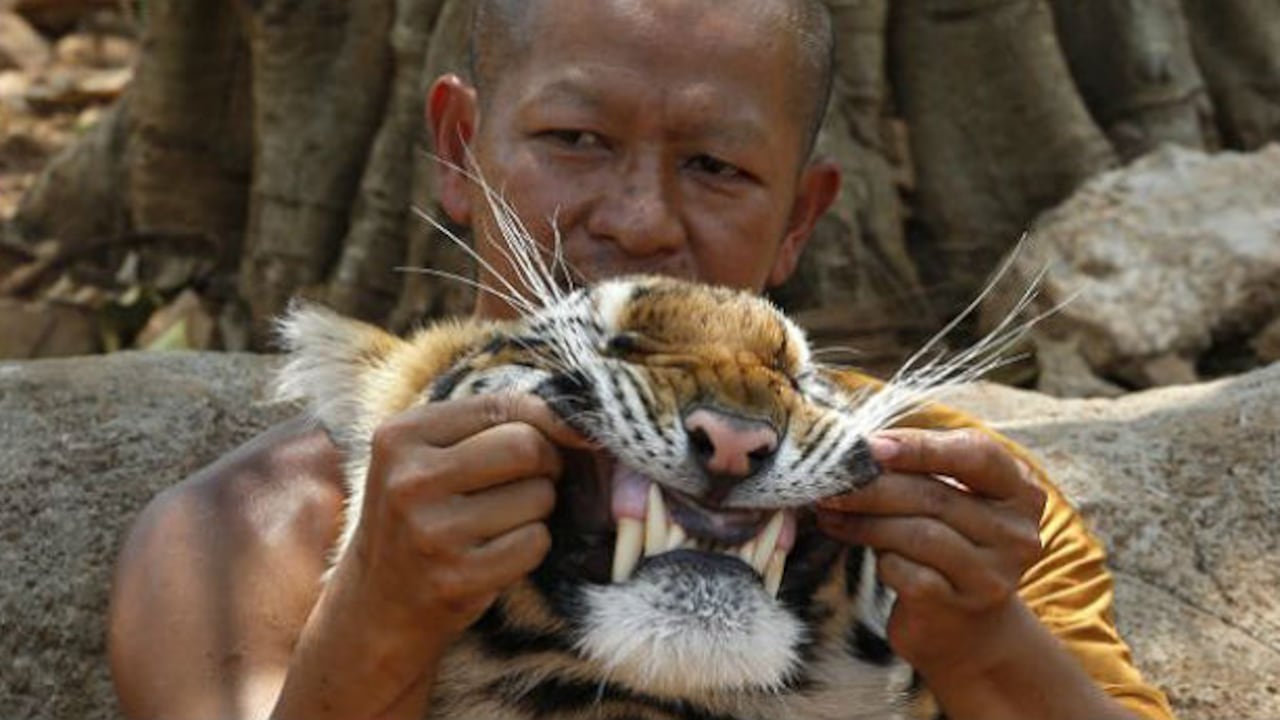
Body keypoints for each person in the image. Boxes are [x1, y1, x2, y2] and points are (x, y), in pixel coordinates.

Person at [107, 1, 1175, 719]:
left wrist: (983, 640)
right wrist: (377, 617)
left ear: (800, 217)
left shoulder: (940, 498)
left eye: (714, 165)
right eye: (576, 140)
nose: (639, 218)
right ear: (458, 151)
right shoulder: (252, 535)